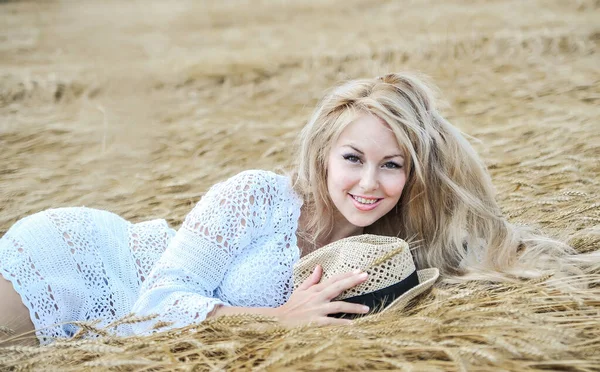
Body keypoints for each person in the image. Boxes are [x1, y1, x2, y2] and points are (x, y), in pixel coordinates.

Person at [0, 72, 588, 345]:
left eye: (393, 164)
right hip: (83, 261)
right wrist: (279, 318)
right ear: (325, 155)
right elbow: (156, 302)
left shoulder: (388, 244)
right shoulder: (255, 195)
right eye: (353, 158)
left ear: (413, 174)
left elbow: (481, 249)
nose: (368, 183)